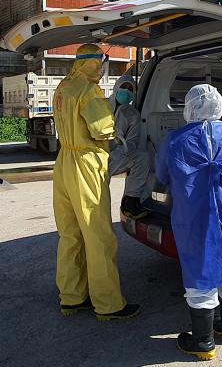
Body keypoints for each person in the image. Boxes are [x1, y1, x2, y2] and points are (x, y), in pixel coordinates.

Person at [156, 84, 222, 361]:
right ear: (219, 106)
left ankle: (203, 341)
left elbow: (162, 174)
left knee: (199, 269)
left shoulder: (176, 141)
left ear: (189, 107)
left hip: (194, 216)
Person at [52, 44, 140, 321]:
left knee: (70, 234)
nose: (102, 69)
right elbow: (102, 129)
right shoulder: (90, 91)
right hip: (86, 163)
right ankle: (108, 303)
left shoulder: (63, 87)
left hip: (64, 161)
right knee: (98, 234)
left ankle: (72, 297)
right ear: (94, 63)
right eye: (102, 63)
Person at [108, 74, 149, 219]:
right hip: (95, 156)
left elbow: (132, 141)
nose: (126, 91)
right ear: (116, 87)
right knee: (98, 197)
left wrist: (120, 151)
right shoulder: (101, 106)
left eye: (130, 89)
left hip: (115, 157)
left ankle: (130, 202)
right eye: (123, 87)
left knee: (142, 158)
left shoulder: (133, 114)